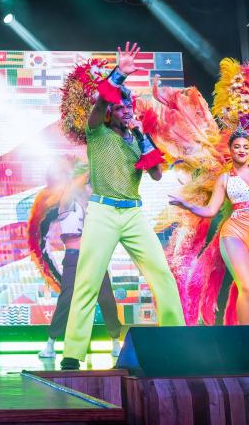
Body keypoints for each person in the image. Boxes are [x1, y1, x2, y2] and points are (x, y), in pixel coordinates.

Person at [59, 42, 185, 370]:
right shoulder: (97, 131)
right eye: (122, 106)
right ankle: (73, 353)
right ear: (113, 110)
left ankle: (176, 340)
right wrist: (120, 73)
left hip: (132, 213)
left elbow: (157, 174)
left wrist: (142, 135)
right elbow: (102, 100)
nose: (127, 110)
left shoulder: (136, 142)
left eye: (130, 106)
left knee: (161, 273)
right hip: (101, 212)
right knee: (87, 280)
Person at [169, 128, 249, 359]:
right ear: (231, 150)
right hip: (235, 234)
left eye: (245, 147)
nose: (241, 150)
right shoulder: (225, 179)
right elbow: (210, 210)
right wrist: (187, 205)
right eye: (237, 147)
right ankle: (246, 343)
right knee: (248, 286)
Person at [37, 160, 122, 360]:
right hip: (74, 258)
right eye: (88, 184)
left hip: (95, 257)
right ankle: (50, 345)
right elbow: (74, 187)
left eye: (91, 185)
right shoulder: (67, 204)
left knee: (106, 298)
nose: (89, 188)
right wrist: (91, 164)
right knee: (67, 298)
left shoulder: (97, 208)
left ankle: (116, 342)